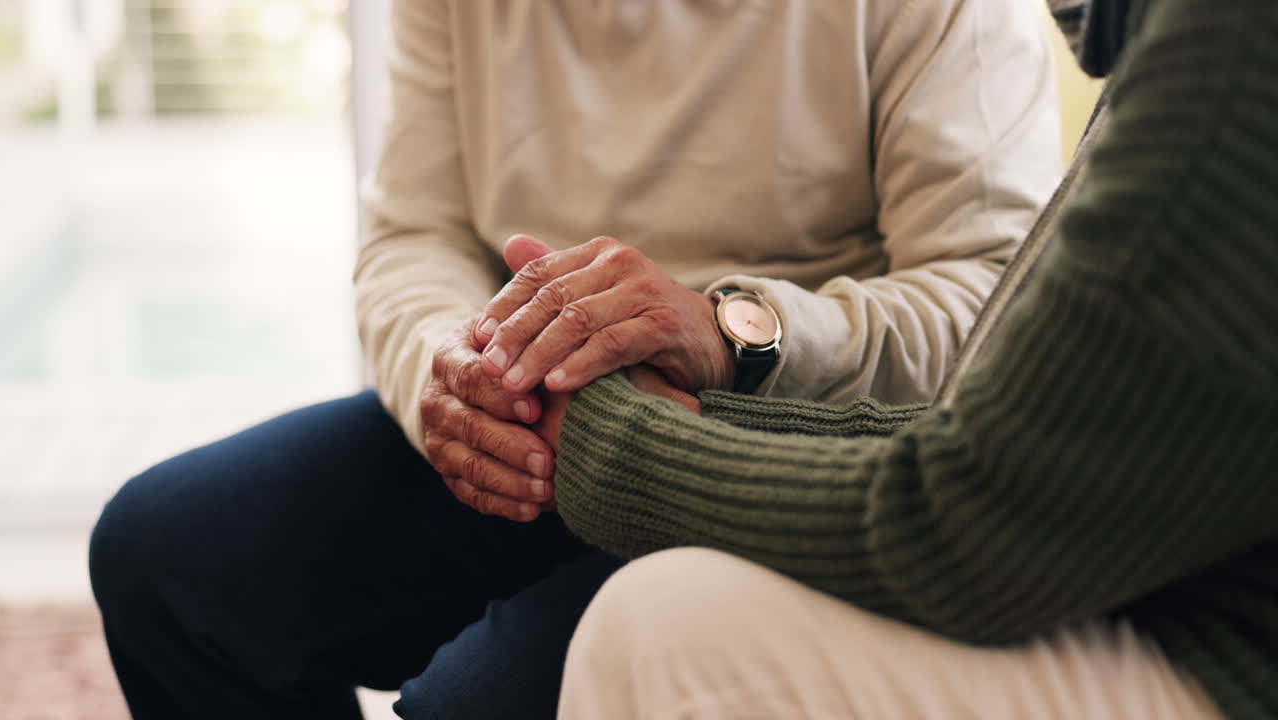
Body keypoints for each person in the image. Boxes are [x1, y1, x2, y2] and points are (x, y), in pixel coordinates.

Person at [87, 1, 1061, 718]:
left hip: (771, 458)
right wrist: (449, 373)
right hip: (522, 427)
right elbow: (410, 234)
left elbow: (989, 301)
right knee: (162, 560)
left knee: (463, 709)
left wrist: (732, 333)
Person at [529, 0, 1278, 716]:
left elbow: (977, 519)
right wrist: (506, 373)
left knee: (664, 628)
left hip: (1217, 654)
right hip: (1142, 576)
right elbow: (1049, 445)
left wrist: (617, 436)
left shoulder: (1230, 44)